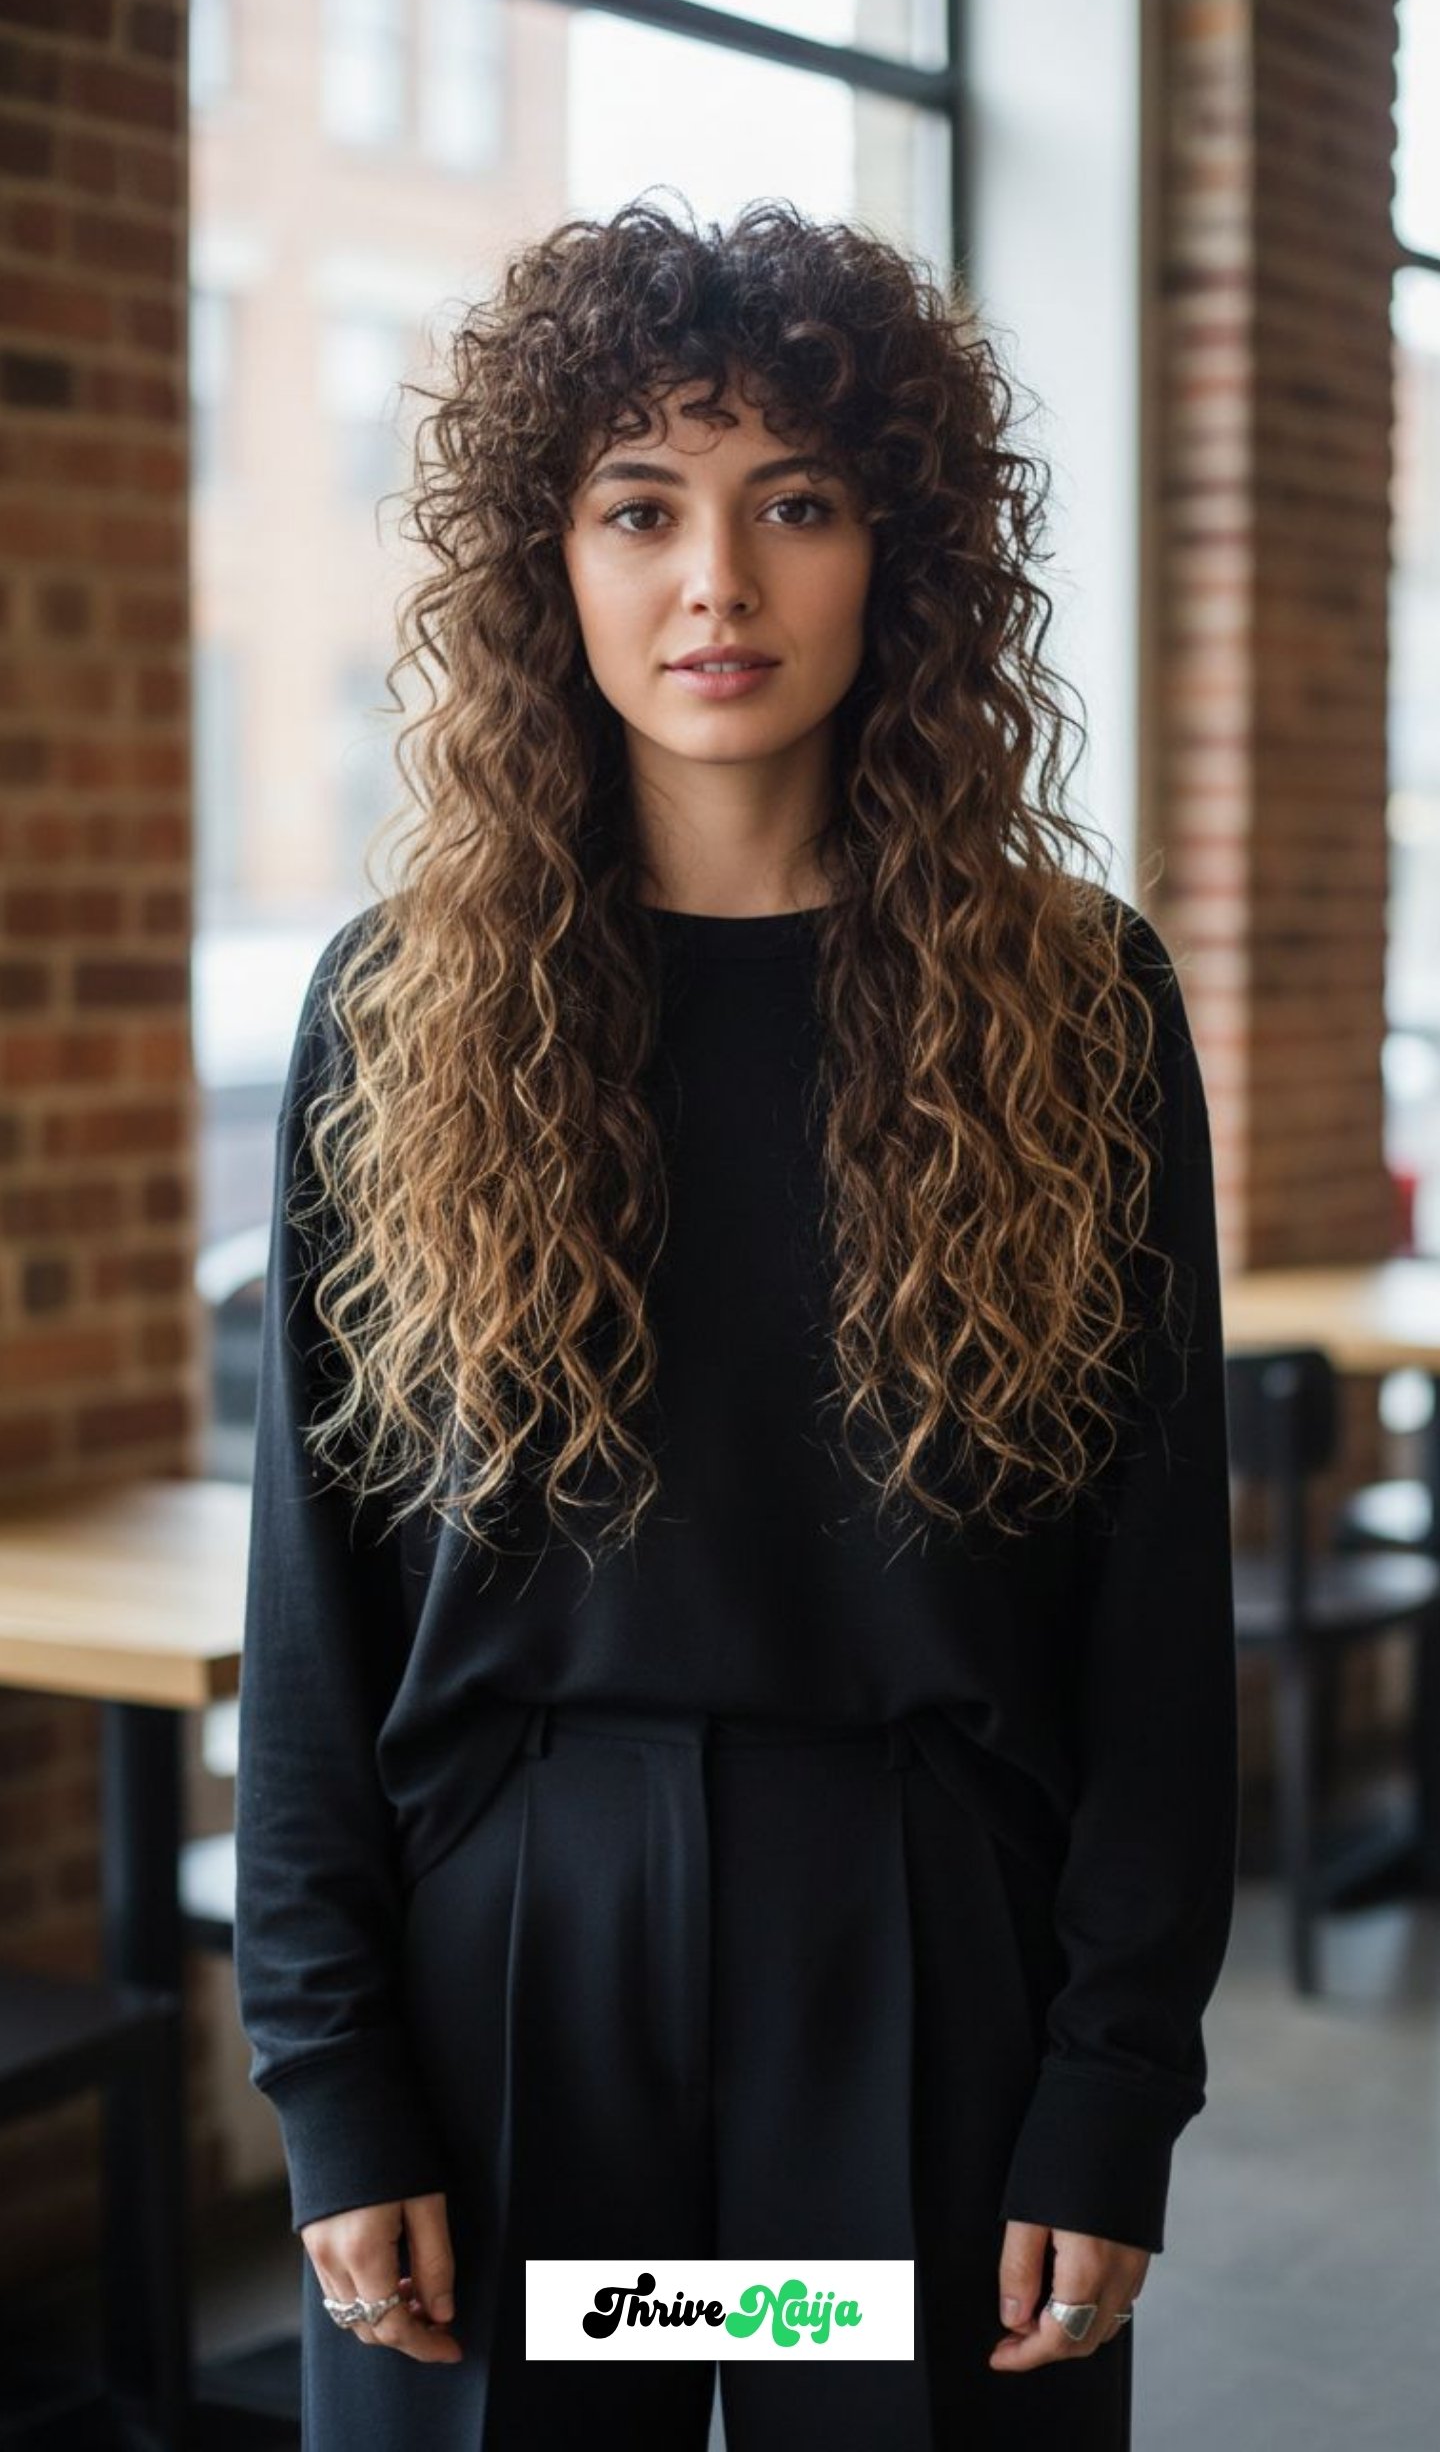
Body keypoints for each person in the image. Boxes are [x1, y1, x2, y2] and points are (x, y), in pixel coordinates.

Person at [234, 194, 1239, 2452]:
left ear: (898, 553)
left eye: (795, 502)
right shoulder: (397, 1013)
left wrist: (1112, 2080)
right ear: (547, 564)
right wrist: (329, 2071)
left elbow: (1159, 1611)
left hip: (911, 1978)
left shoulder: (1077, 1003)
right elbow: (312, 1591)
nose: (718, 583)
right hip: (513, 1989)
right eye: (640, 508)